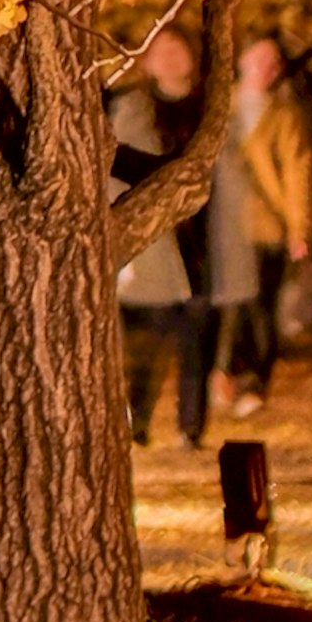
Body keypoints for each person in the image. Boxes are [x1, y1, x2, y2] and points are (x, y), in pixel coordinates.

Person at [110, 22, 222, 450]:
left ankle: (191, 426)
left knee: (197, 343)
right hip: (156, 241)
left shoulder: (207, 106)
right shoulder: (132, 108)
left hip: (201, 239)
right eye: (162, 50)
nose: (171, 59)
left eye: (178, 49)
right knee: (147, 346)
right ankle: (137, 421)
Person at [208, 24, 312, 415]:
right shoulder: (221, 106)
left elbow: (298, 173)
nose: (265, 68)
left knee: (258, 307)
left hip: (266, 227)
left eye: (272, 62)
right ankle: (224, 373)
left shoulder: (286, 115)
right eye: (258, 59)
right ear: (242, 60)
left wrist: (299, 229)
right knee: (227, 305)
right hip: (225, 225)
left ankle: (254, 379)